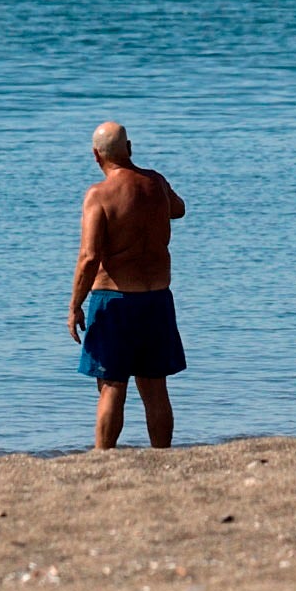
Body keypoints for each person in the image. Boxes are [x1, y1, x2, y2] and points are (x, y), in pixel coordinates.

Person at [68, 121, 187, 448]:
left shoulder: (98, 195)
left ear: (96, 155)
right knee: (155, 387)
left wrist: (74, 305)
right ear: (130, 148)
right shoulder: (156, 183)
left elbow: (89, 256)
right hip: (156, 300)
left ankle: (103, 457)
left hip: (114, 301)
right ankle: (163, 456)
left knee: (112, 385)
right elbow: (179, 210)